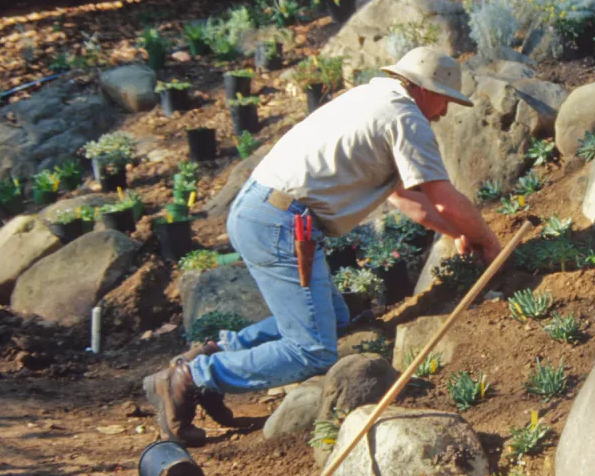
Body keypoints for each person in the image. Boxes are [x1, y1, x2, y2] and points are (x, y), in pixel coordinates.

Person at [144, 47, 502, 446]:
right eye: (445, 99)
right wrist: (489, 244)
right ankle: (191, 378)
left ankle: (215, 353)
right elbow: (441, 198)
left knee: (331, 317)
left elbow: (407, 199)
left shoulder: (370, 98)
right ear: (423, 89)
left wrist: (456, 234)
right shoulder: (405, 116)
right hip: (280, 221)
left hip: (262, 210)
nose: (445, 112)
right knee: (312, 350)